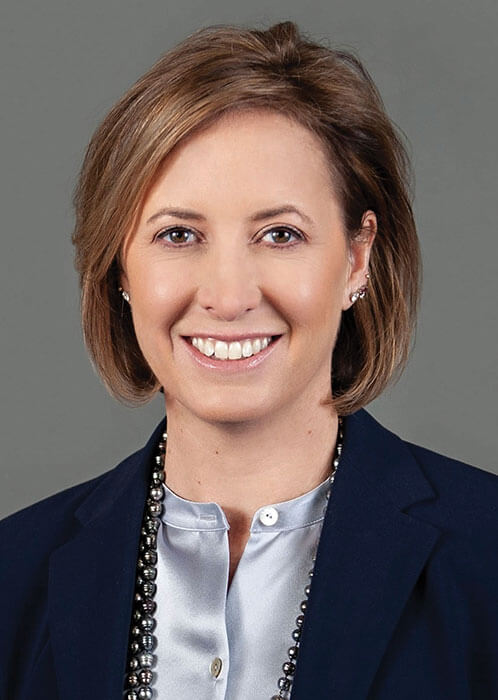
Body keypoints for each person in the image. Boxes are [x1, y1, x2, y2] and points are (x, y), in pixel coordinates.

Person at [1, 20, 497, 700]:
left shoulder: (487, 558)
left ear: (357, 259)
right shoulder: (12, 576)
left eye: (280, 234)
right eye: (179, 234)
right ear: (119, 266)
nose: (229, 297)